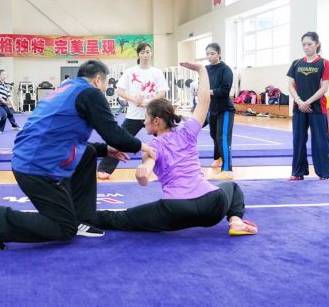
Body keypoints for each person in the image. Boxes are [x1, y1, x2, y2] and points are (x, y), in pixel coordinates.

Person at [0, 60, 157, 251]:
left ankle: (83, 218)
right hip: (37, 168)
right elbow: (114, 134)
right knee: (64, 228)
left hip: (30, 156)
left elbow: (63, 134)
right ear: (98, 80)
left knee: (89, 152)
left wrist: (104, 149)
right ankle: (0, 219)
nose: (106, 89)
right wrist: (143, 146)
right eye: (106, 84)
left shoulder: (67, 88)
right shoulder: (91, 93)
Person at [92, 62, 258, 236]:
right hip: (211, 205)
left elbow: (145, 173)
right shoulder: (188, 131)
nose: (143, 122)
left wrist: (143, 173)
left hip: (176, 210)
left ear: (156, 121)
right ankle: (236, 221)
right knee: (232, 188)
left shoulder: (151, 146)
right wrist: (202, 70)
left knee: (121, 219)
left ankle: (78, 218)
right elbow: (204, 102)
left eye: (146, 118)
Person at [97, 43, 168, 180]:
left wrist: (149, 102)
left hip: (154, 115)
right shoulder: (130, 72)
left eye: (148, 52)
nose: (146, 55)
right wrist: (134, 100)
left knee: (166, 140)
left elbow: (162, 92)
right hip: (134, 114)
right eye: (142, 52)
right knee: (119, 140)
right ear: (138, 55)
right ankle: (105, 169)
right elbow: (120, 91)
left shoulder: (157, 72)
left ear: (151, 53)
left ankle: (172, 167)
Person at [287, 32, 329, 181]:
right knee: (298, 140)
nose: (306, 47)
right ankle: (298, 172)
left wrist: (308, 102)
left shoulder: (324, 63)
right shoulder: (296, 63)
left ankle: (324, 173)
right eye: (304, 45)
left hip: (318, 109)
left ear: (317, 44)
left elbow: (324, 88)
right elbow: (290, 85)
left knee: (320, 141)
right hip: (299, 108)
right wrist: (300, 101)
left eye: (309, 44)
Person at [205, 43, 235, 179]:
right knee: (214, 135)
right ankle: (218, 157)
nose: (210, 57)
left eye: (212, 53)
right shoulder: (206, 69)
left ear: (219, 53)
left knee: (223, 137)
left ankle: (228, 168)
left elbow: (225, 90)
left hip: (225, 110)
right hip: (212, 109)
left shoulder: (226, 70)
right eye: (207, 54)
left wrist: (208, 91)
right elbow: (203, 86)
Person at [0, 69, 21, 134]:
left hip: (3, 104)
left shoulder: (6, 86)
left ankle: (14, 126)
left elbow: (9, 97)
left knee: (10, 114)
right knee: (3, 115)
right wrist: (3, 101)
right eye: (3, 74)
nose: (5, 76)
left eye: (6, 74)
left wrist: (13, 106)